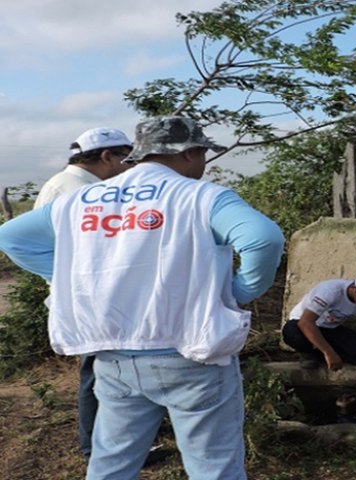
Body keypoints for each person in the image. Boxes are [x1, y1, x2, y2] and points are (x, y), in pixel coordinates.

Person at [0, 116, 285, 479]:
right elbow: (262, 239)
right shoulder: (200, 196)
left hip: (114, 358)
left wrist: (72, 279)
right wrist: (237, 291)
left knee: (111, 464)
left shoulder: (84, 199)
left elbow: (11, 237)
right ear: (190, 153)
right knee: (213, 467)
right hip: (190, 354)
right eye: (202, 154)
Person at [33, 127, 134, 459]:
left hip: (87, 295)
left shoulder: (72, 185)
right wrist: (68, 281)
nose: (129, 167)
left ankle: (108, 442)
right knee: (98, 374)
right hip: (88, 299)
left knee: (103, 371)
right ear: (107, 157)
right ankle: (97, 447)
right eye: (126, 159)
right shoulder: (76, 191)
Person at [281, 272, 356, 389]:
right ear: (354, 288)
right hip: (303, 324)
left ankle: (319, 351)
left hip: (330, 328)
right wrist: (329, 352)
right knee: (293, 334)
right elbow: (306, 322)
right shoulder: (330, 291)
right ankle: (308, 352)